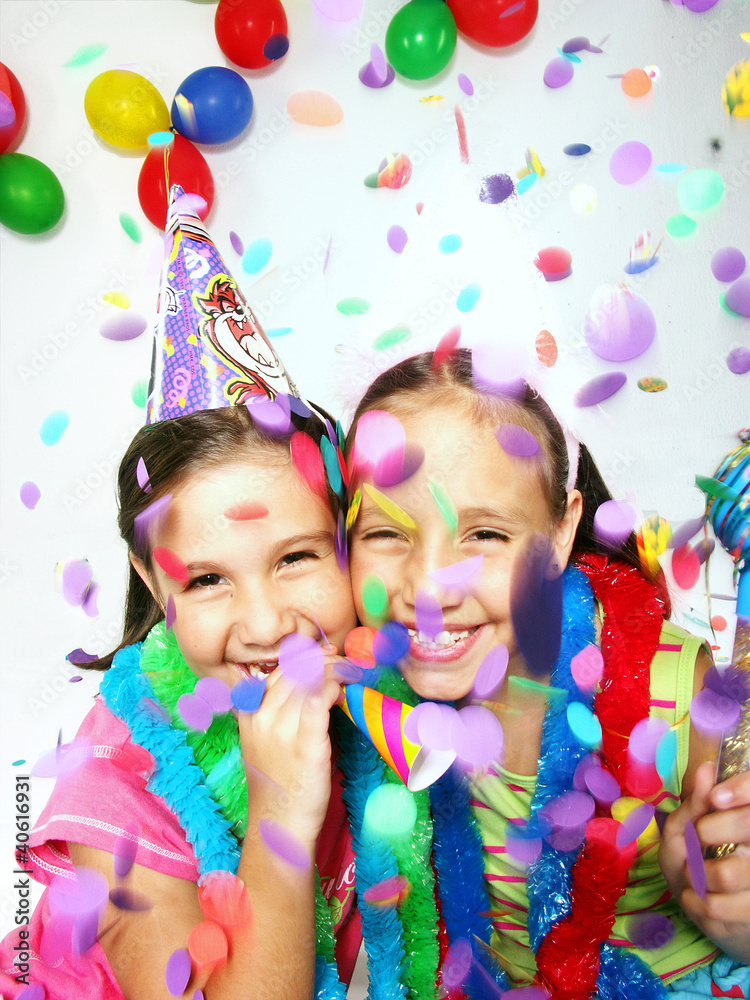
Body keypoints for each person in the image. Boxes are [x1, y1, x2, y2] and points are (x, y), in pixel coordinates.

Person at [0, 185, 364, 1000]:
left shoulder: (384, 689)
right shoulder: (115, 784)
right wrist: (279, 814)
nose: (265, 624)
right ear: (152, 582)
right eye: (206, 579)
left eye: (297, 557)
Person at [342, 347, 750, 999]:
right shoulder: (363, 692)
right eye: (386, 534)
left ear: (562, 532)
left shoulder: (677, 695)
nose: (428, 590)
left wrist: (732, 917)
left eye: (484, 535)